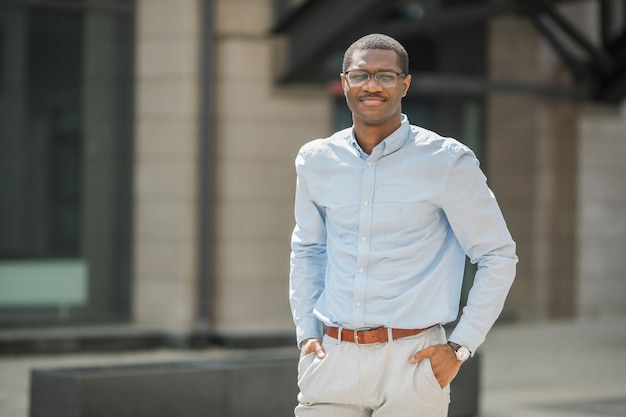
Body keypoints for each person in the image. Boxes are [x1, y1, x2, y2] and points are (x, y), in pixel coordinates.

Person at [289, 33, 517, 417]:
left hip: (412, 362)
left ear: (405, 84)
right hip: (333, 359)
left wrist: (461, 347)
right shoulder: (316, 160)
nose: (372, 86)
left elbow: (497, 255)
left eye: (386, 76)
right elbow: (309, 249)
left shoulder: (447, 161)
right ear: (344, 82)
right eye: (360, 75)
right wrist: (307, 333)